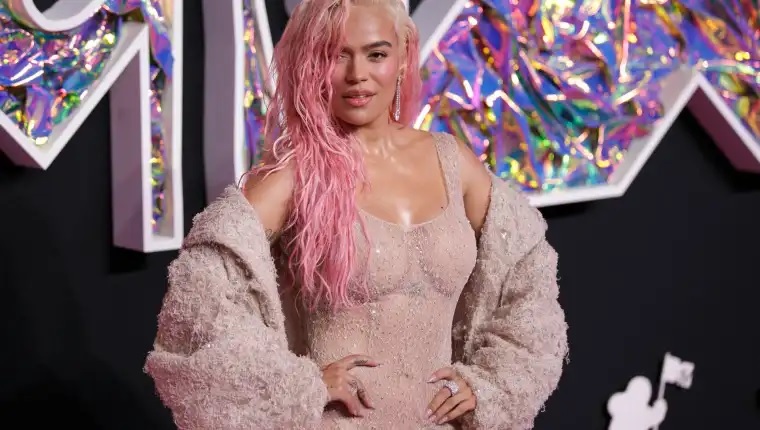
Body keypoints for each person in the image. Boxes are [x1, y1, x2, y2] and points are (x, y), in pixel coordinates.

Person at [144, 0, 568, 428]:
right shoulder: (295, 175)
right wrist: (303, 385)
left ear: (403, 56)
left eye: (376, 54)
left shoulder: (450, 160)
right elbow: (197, 306)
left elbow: (528, 275)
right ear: (311, 64)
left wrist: (489, 384)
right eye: (336, 56)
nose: (357, 74)